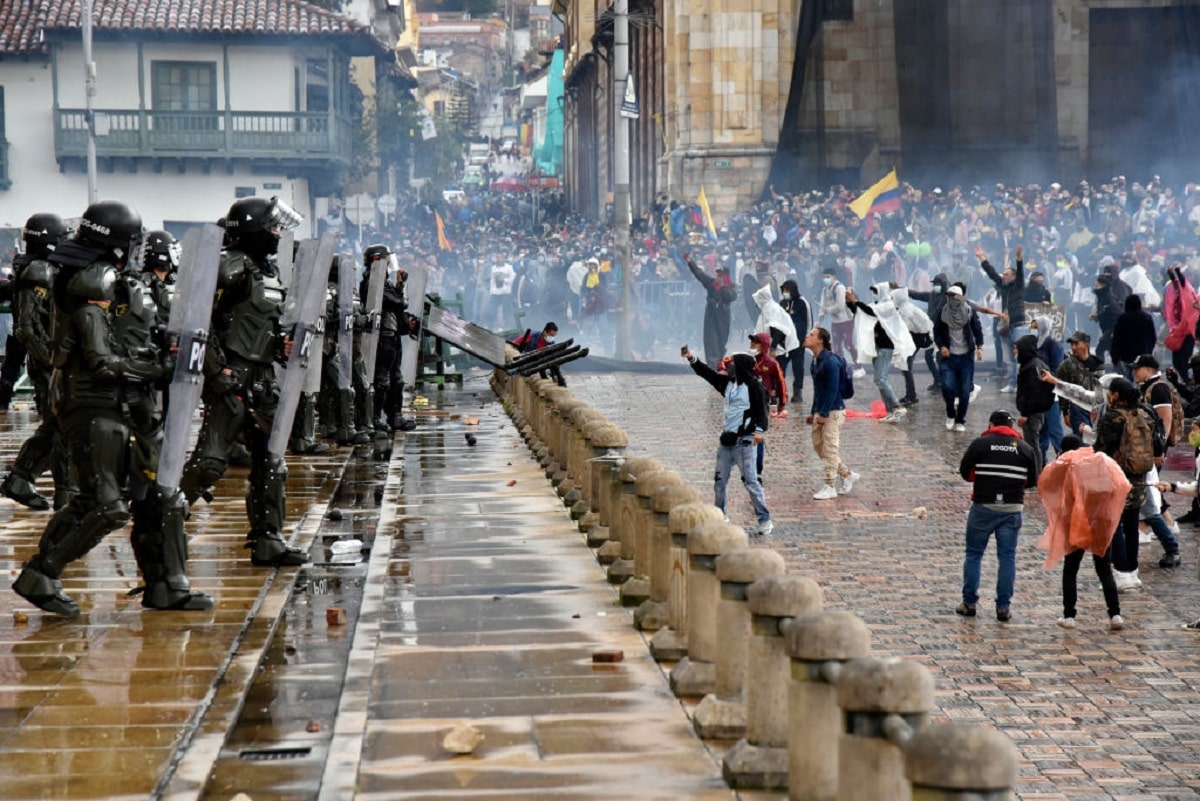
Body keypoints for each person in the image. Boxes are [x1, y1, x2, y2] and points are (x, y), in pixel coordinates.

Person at [13, 200, 213, 616]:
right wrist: (159, 367)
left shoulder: (118, 281)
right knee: (104, 503)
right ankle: (40, 573)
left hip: (130, 403)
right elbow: (102, 361)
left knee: (163, 497)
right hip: (95, 404)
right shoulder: (91, 281)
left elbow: (142, 336)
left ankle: (167, 586)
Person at [180, 196, 309, 568]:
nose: (277, 233)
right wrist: (218, 372)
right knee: (209, 462)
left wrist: (282, 346)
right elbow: (200, 322)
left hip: (263, 376)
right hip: (232, 375)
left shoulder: (267, 271)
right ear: (253, 229)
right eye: (272, 227)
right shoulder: (230, 268)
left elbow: (263, 323)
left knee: (271, 461)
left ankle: (268, 539)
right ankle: (162, 518)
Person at [0, 213, 71, 510]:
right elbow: (28, 328)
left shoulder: (40, 269)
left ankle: (27, 479)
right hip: (47, 364)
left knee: (59, 426)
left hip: (49, 360)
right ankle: (62, 490)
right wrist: (53, 360)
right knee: (61, 426)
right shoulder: (37, 272)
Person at [1037, 434, 1126, 631]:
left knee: (1071, 568)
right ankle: (1115, 614)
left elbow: (1046, 482)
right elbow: (1121, 484)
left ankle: (1069, 615)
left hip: (1076, 523)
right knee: (1104, 569)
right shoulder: (1100, 462)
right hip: (1101, 522)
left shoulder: (1066, 464)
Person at [956, 409, 1038, 622]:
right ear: (1011, 427)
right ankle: (1003, 607)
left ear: (991, 424)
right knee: (1007, 557)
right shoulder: (1026, 449)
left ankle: (969, 602)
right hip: (1011, 509)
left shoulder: (981, 444)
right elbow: (1032, 481)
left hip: (983, 506)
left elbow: (965, 473)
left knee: (974, 554)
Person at [681, 345, 772, 536]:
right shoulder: (729, 384)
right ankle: (720, 515)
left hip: (745, 442)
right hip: (726, 442)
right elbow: (708, 375)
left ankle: (765, 519)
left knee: (751, 482)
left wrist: (758, 431)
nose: (728, 366)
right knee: (720, 481)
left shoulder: (754, 386)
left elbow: (762, 411)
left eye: (732, 363)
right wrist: (692, 359)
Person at [1092, 377, 1159, 590]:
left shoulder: (1113, 418)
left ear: (1116, 395)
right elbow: (1157, 445)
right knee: (1131, 525)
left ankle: (1120, 571)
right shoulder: (1145, 415)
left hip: (1115, 478)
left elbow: (1101, 449)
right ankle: (1132, 570)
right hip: (1139, 478)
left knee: (1114, 525)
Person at [846, 282, 915, 423]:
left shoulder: (888, 306)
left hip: (885, 347)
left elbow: (870, 312)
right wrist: (850, 302)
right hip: (876, 346)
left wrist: (856, 301)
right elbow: (861, 312)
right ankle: (891, 411)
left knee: (881, 378)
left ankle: (896, 405)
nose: (875, 294)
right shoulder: (876, 306)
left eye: (876, 291)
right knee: (878, 380)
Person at [805, 326, 858, 500]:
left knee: (829, 447)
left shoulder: (831, 361)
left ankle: (829, 485)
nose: (807, 337)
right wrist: (814, 412)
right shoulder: (816, 360)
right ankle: (847, 474)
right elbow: (817, 389)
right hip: (822, 410)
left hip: (833, 411)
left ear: (820, 340)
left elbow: (832, 389)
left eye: (811, 335)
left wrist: (825, 413)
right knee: (819, 446)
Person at [932, 284, 984, 432]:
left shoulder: (969, 312)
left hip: (966, 357)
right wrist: (942, 346)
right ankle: (950, 413)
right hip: (948, 357)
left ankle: (960, 420)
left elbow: (977, 329)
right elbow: (936, 331)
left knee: (965, 390)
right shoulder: (942, 313)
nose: (951, 299)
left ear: (960, 297)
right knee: (947, 386)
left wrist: (980, 347)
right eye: (949, 296)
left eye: (954, 296)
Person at [977, 244, 1027, 392]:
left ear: (1013, 277)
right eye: (1003, 274)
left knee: (1020, 357)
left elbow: (1021, 271)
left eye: (1006, 274)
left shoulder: (1018, 285)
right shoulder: (1003, 286)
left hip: (1018, 324)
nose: (1003, 276)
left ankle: (1021, 384)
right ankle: (1012, 384)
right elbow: (992, 273)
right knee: (1010, 359)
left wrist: (1018, 258)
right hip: (1005, 325)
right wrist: (982, 258)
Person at [684, 251, 737, 369]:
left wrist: (722, 286)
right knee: (710, 339)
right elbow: (699, 274)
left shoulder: (731, 286)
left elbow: (731, 296)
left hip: (723, 317)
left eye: (720, 275)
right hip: (711, 315)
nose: (718, 277)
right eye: (717, 274)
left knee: (721, 340)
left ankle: (719, 361)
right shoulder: (711, 283)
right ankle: (712, 365)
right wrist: (690, 262)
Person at [1014, 334, 1055, 474]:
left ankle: (1035, 475)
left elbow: (1033, 393)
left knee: (1032, 444)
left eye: (1017, 348)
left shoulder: (1032, 367)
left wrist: (1025, 413)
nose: (1015, 351)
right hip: (1037, 410)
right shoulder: (1033, 364)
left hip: (1033, 412)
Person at [1056, 331, 1104, 436]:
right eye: (1072, 344)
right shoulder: (1067, 366)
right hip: (1077, 408)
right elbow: (1062, 389)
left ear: (1086, 344)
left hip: (1096, 408)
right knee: (1083, 439)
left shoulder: (1098, 364)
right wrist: (1065, 412)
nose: (1073, 347)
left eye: (1076, 344)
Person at [818, 265, 861, 376]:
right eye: (824, 277)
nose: (825, 279)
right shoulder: (824, 290)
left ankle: (859, 366)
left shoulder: (839, 288)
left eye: (828, 277)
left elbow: (840, 306)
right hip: (835, 322)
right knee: (836, 346)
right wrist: (819, 320)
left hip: (846, 320)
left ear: (834, 277)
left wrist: (828, 310)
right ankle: (842, 368)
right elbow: (822, 306)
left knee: (848, 344)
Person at [778, 278, 810, 404]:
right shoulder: (782, 303)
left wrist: (806, 337)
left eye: (787, 290)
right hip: (784, 342)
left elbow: (809, 321)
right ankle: (780, 390)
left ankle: (797, 392)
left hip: (798, 341)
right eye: (783, 290)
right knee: (780, 366)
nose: (785, 292)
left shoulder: (802, 303)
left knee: (798, 367)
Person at [514, 321, 566, 386]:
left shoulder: (551, 343)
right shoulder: (533, 336)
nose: (552, 337)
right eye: (551, 335)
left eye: (554, 336)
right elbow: (516, 343)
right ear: (545, 332)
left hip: (541, 362)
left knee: (554, 361)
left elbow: (554, 357)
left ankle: (555, 377)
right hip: (528, 359)